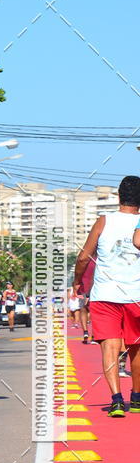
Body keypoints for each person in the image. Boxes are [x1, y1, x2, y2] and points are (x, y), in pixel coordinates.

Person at [73, 175, 140, 416]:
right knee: (136, 347)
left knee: (110, 348)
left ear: (119, 196)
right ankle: (137, 398)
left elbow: (83, 257)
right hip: (136, 295)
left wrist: (77, 282)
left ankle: (116, 400)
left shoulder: (104, 221)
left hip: (105, 296)